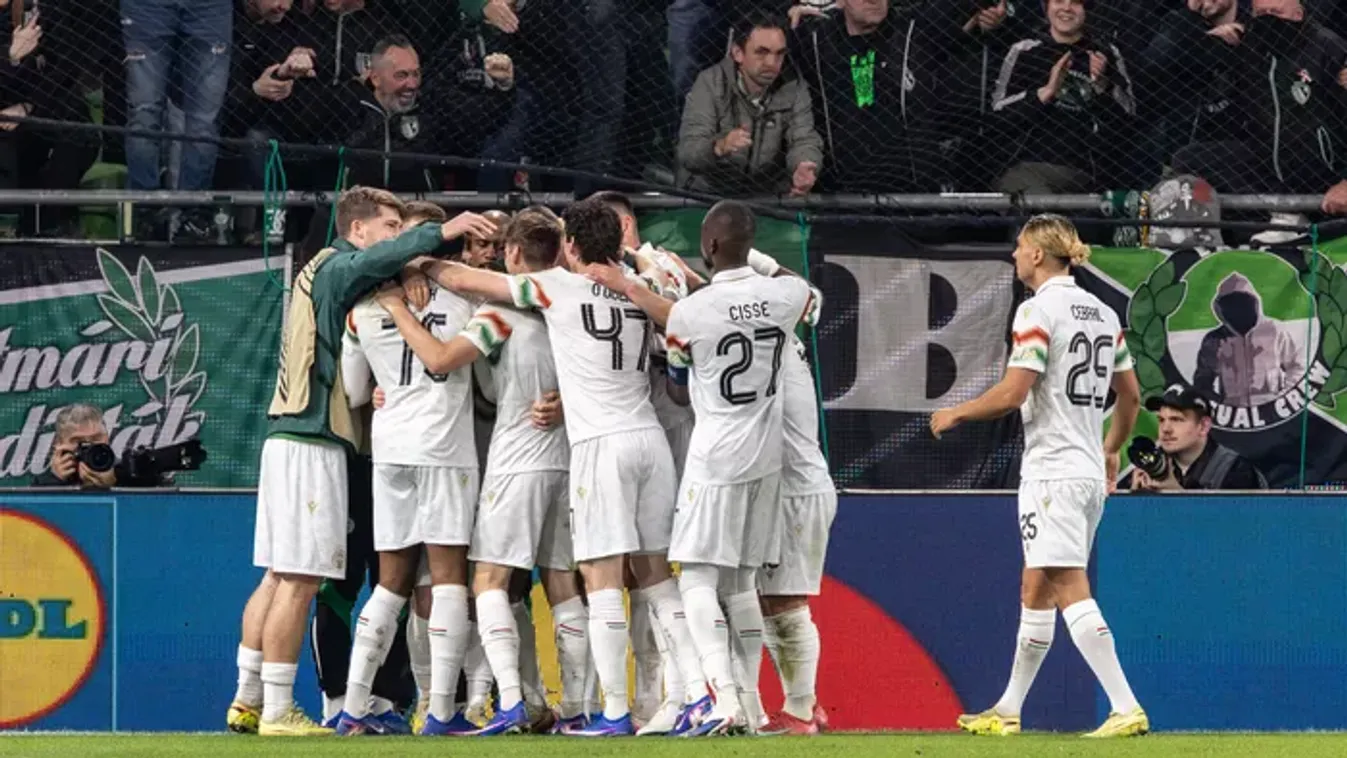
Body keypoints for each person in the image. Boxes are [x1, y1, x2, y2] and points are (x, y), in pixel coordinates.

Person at [420, 197, 706, 737]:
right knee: (653, 578)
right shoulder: (639, 287)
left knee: (596, 581)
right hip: (647, 438)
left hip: (594, 447)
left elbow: (465, 283)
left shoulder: (554, 287)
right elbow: (683, 325)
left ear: (570, 246)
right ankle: (697, 693)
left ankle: (607, 711)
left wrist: (419, 260)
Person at [226, 186, 496, 737]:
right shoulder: (341, 270)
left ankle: (249, 697)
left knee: (278, 574)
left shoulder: (335, 282)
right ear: (357, 229)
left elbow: (356, 377)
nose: (395, 238)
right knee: (304, 578)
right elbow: (379, 271)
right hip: (319, 439)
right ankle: (279, 709)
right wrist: (441, 234)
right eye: (390, 226)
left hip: (291, 437)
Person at [588, 200, 819, 736]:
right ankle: (753, 708)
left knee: (694, 578)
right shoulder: (786, 296)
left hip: (715, 458)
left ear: (709, 245)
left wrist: (634, 290)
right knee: (740, 583)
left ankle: (723, 700)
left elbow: (677, 388)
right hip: (767, 463)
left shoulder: (692, 312)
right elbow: (802, 289)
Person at [930, 213, 1148, 738]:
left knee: (1068, 583)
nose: (1013, 254)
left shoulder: (1037, 310)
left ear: (1036, 254)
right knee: (1036, 586)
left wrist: (956, 412)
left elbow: (1013, 392)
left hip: (1053, 471)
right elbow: (1131, 396)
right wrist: (1112, 448)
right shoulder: (1102, 312)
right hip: (1085, 471)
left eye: (1019, 246)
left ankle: (1125, 706)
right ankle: (1008, 709)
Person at [377, 210, 586, 735]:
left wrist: (401, 300)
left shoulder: (500, 313)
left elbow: (441, 358)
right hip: (566, 457)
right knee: (561, 581)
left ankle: (509, 701)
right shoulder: (569, 304)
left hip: (515, 457)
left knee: (488, 581)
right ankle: (576, 706)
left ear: (513, 253)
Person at [332, 220, 481, 737]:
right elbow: (489, 385)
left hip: (391, 451)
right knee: (447, 581)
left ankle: (353, 708)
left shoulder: (363, 309)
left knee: (390, 584)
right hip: (444, 449)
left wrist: (384, 386)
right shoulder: (468, 302)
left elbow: (354, 392)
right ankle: (439, 712)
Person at [742, 250, 836, 735]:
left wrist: (747, 258)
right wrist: (759, 262)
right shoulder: (787, 330)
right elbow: (807, 294)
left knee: (785, 603)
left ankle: (799, 712)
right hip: (790, 485)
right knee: (769, 602)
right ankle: (807, 702)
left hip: (796, 489)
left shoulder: (764, 343)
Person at [1133, 385, 1268, 491]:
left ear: (1203, 426)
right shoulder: (1152, 464)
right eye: (1161, 420)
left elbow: (1246, 519)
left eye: (1176, 420)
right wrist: (1133, 500)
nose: (1165, 429)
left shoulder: (1237, 471)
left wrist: (1176, 495)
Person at [31, 404, 119, 489]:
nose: (89, 446)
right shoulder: (41, 486)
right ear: (58, 444)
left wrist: (113, 485)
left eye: (96, 438)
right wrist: (55, 481)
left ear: (107, 438)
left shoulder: (123, 473)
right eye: (79, 441)